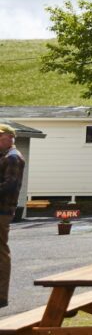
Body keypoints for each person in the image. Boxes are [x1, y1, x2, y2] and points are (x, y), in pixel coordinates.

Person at [0, 124, 23, 309]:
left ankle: (1, 296)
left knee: (1, 252)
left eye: (0, 137)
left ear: (10, 137)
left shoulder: (12, 157)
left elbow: (10, 185)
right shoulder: (5, 156)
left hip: (2, 210)